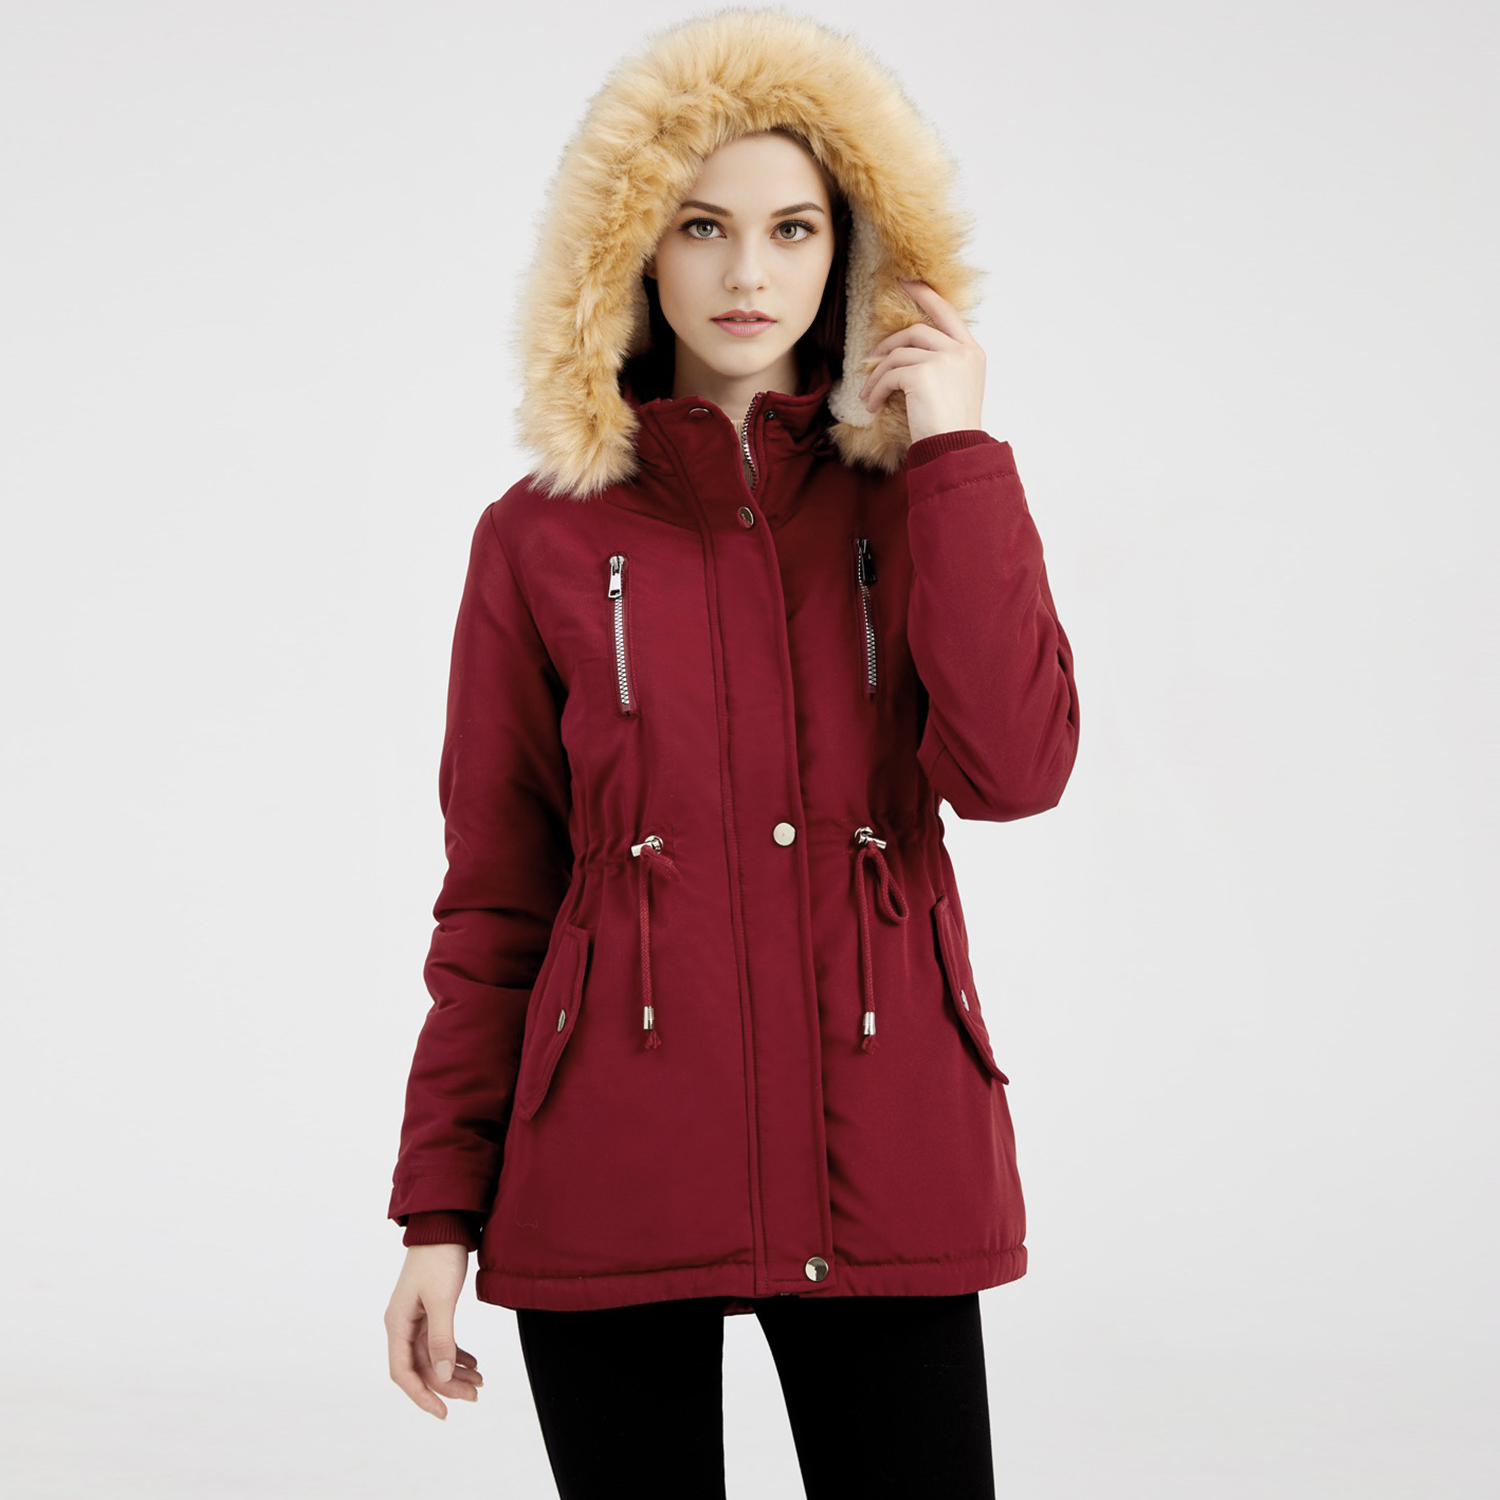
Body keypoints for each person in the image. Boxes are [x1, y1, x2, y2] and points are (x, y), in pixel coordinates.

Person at [382, 10, 1080, 1497]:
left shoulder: (926, 498)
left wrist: (957, 451)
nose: (747, 274)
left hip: (887, 1148)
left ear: (854, 249)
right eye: (702, 226)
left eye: (792, 228)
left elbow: (1016, 773)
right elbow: (495, 896)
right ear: (633, 245)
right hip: (612, 1155)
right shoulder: (540, 537)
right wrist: (437, 1214)